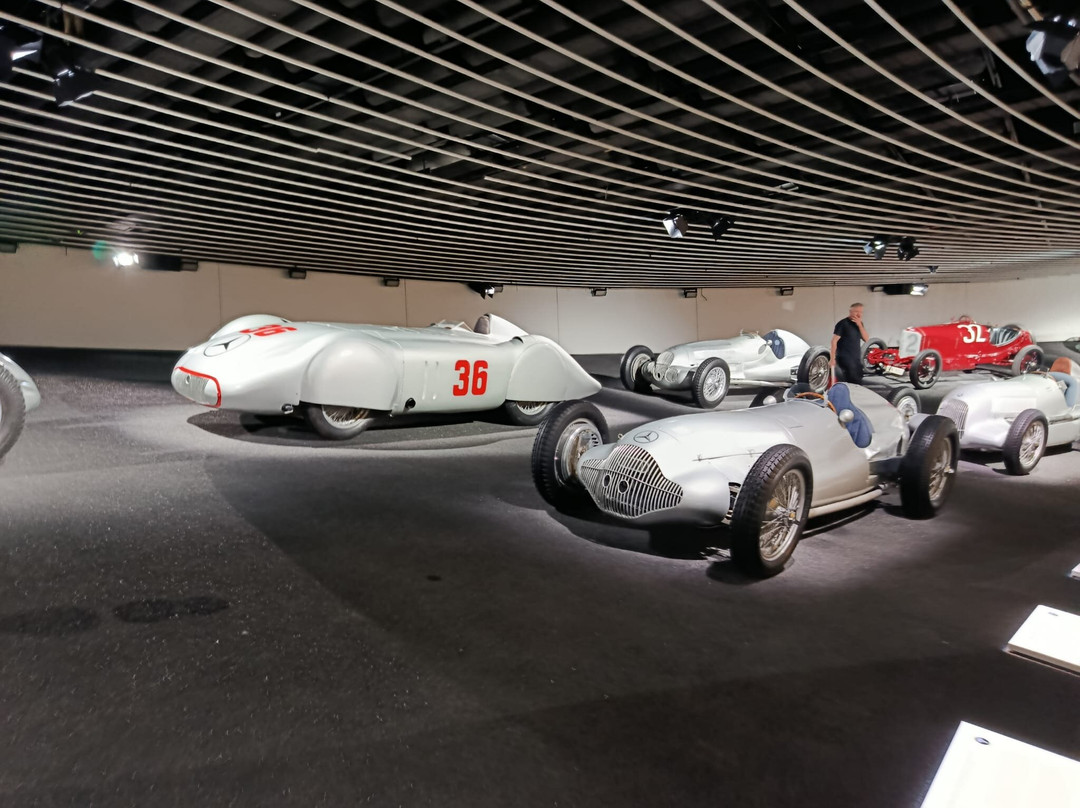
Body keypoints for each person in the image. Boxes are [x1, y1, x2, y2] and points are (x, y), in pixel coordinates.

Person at [831, 303, 869, 384]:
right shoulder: (843, 323)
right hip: (845, 358)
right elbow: (834, 341)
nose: (859, 314)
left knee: (858, 380)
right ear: (850, 311)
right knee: (850, 381)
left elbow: (866, 339)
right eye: (856, 311)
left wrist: (859, 325)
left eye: (861, 312)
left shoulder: (860, 324)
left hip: (856, 359)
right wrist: (832, 358)